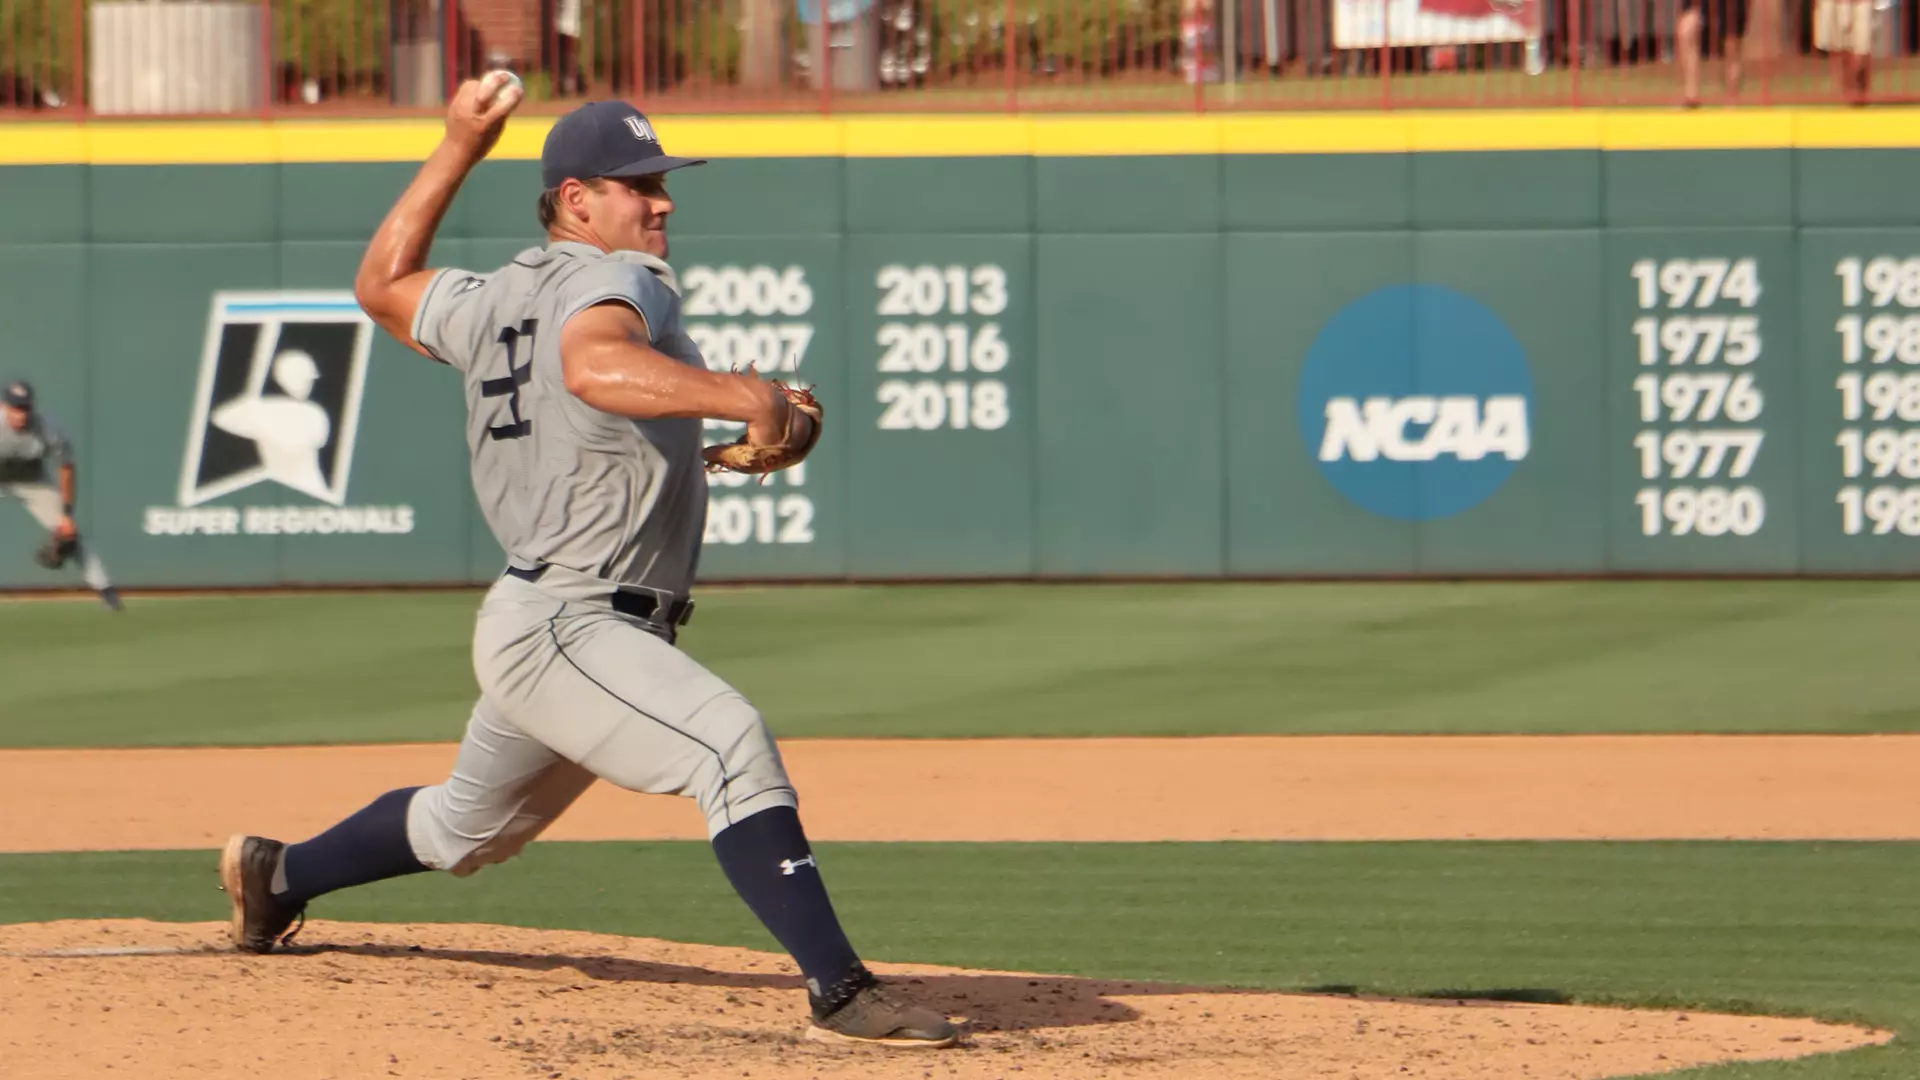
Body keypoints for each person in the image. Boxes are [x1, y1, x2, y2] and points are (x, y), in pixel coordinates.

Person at [214, 76, 959, 1050]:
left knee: (460, 832)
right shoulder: (625, 280)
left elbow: (381, 287)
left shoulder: (491, 296)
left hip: (546, 622)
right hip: (574, 622)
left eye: (660, 182)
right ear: (577, 202)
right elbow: (593, 366)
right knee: (728, 743)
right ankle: (842, 991)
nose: (662, 201)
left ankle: (274, 877)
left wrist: (457, 146)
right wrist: (739, 392)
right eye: (637, 183)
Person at [0, 379, 121, 610]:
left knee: (70, 534)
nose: (20, 414)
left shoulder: (47, 429)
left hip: (31, 480)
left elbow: (66, 468)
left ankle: (106, 591)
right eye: (15, 407)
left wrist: (66, 514)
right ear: (4, 406)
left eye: (25, 407)